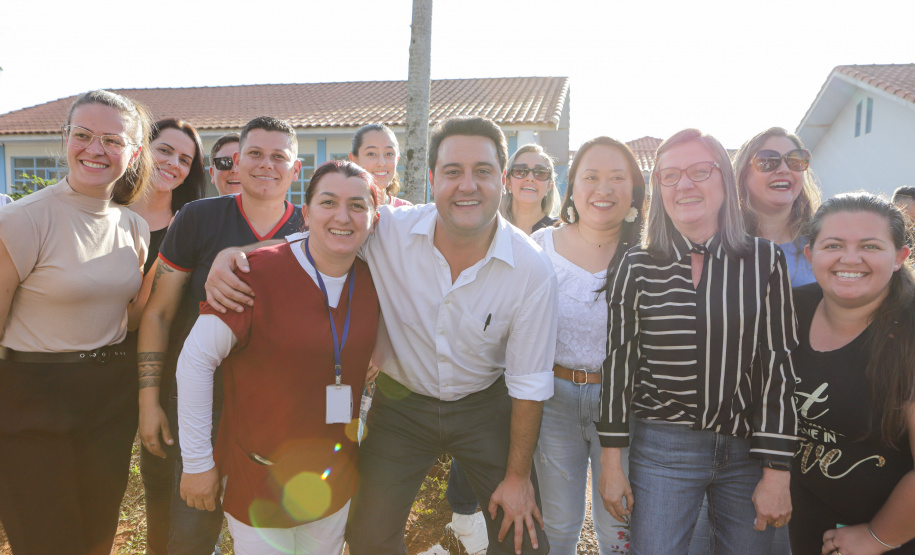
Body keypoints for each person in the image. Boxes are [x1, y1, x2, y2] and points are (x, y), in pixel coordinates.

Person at [204, 116, 559, 555]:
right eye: (452, 172)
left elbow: (529, 382)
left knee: (523, 533)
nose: (467, 185)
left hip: (483, 406)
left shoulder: (532, 269)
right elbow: (309, 241)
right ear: (432, 179)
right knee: (368, 536)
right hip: (402, 406)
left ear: (502, 180)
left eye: (482, 171)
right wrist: (234, 255)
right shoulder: (388, 230)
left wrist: (519, 478)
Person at [598, 128, 798, 554]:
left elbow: (777, 366)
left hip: (747, 451)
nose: (684, 184)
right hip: (662, 449)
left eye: (699, 171)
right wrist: (611, 465)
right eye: (669, 176)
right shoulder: (636, 265)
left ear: (725, 180)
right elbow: (618, 367)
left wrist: (777, 471)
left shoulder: (764, 260)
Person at [177, 161, 381, 554]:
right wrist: (197, 462)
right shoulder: (255, 274)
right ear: (306, 214)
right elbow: (195, 361)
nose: (343, 216)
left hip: (333, 479)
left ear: (373, 219)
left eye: (358, 205)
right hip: (259, 479)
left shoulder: (376, 282)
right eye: (328, 202)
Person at [137, 116, 305, 555]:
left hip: (279, 418)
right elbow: (158, 313)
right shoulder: (199, 218)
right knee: (192, 533)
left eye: (278, 157)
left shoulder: (313, 229)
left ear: (296, 169)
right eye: (254, 154)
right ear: (237, 160)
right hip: (200, 408)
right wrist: (149, 401)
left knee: (278, 536)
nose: (265, 165)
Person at [0, 89, 153, 554]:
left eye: (112, 139)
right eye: (83, 135)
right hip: (31, 400)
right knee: (47, 542)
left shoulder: (135, 228)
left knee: (95, 538)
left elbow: (126, 318)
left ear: (133, 153)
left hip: (109, 399)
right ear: (65, 138)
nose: (95, 149)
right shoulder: (23, 220)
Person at [531, 137, 645, 554]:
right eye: (591, 177)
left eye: (618, 178)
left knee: (619, 524)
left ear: (634, 190)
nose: (604, 188)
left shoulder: (647, 255)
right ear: (572, 186)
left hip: (623, 405)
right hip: (553, 401)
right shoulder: (538, 248)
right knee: (559, 524)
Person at [790, 193, 915, 554]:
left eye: (870, 246)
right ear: (811, 255)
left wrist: (877, 536)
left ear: (899, 258)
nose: (849, 258)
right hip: (805, 529)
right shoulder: (790, 310)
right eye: (833, 245)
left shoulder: (908, 333)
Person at [129, 117, 207, 555]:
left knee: (163, 479)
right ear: (141, 150)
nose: (173, 164)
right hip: (98, 362)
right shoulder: (109, 214)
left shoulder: (191, 223)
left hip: (164, 366)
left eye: (185, 159)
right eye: (164, 150)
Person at [734, 127, 821, 287]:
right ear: (744, 173)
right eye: (768, 161)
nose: (784, 169)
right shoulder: (721, 241)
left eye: (795, 160)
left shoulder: (822, 240)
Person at [499, 143, 560, 234]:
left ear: (549, 186)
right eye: (520, 171)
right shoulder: (491, 230)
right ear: (507, 182)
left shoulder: (560, 232)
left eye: (540, 172)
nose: (530, 178)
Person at [348, 123, 412, 207]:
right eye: (371, 154)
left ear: (397, 159)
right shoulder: (343, 209)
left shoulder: (407, 211)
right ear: (354, 160)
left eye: (389, 154)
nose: (382, 163)